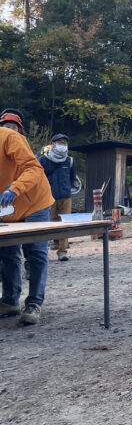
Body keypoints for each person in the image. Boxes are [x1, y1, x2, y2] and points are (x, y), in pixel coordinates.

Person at [0, 111, 55, 324]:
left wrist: (15, 188)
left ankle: (34, 303)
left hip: (34, 201)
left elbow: (33, 168)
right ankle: (10, 301)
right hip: (7, 207)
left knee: (35, 250)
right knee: (7, 251)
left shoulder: (10, 137)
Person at [39, 133, 77, 261]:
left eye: (65, 143)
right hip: (47, 197)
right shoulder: (43, 160)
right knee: (46, 225)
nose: (63, 145)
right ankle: (42, 252)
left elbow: (72, 178)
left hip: (66, 197)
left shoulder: (70, 161)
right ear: (53, 144)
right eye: (60, 142)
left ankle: (62, 252)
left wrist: (67, 188)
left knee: (65, 225)